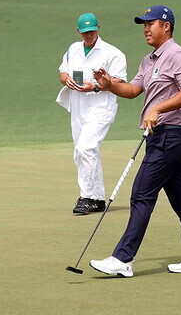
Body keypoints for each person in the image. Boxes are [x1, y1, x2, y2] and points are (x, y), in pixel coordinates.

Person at [89, 5, 181, 278]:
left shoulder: (178, 56)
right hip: (160, 139)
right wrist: (109, 84)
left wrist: (159, 108)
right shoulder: (149, 60)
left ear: (166, 26)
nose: (145, 28)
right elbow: (133, 90)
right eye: (143, 24)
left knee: (142, 193)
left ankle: (123, 259)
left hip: (173, 135)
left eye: (150, 23)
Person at [56, 13, 128, 215]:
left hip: (100, 106)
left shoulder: (112, 53)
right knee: (81, 152)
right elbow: (63, 72)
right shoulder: (73, 50)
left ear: (98, 28)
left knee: (86, 147)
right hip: (78, 105)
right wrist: (67, 80)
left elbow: (121, 82)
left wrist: (95, 87)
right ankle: (96, 199)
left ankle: (87, 197)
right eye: (85, 32)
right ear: (78, 31)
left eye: (92, 31)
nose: (89, 35)